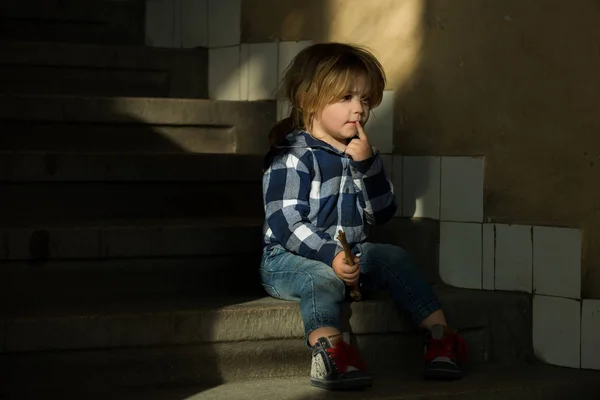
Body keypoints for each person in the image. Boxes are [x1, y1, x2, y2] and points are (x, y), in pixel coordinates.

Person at [260, 42, 467, 390]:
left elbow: (383, 211)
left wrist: (367, 165)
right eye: (345, 98)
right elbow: (286, 223)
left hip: (351, 253)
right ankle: (331, 351)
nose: (359, 109)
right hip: (289, 258)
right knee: (320, 279)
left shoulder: (361, 153)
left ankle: (441, 337)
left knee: (393, 257)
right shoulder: (292, 156)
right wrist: (330, 255)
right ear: (308, 99)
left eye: (365, 99)